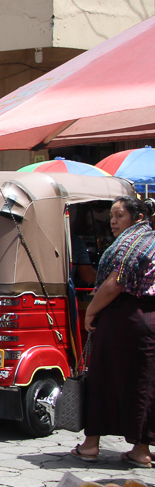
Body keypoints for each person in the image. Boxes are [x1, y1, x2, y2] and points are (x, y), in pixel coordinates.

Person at [72, 197, 155, 467]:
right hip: (147, 321)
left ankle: (91, 444)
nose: (113, 221)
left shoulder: (131, 243)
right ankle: (140, 450)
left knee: (102, 377)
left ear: (138, 217)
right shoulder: (150, 242)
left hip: (122, 317)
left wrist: (92, 310)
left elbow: (115, 283)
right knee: (143, 382)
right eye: (111, 216)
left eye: (119, 215)